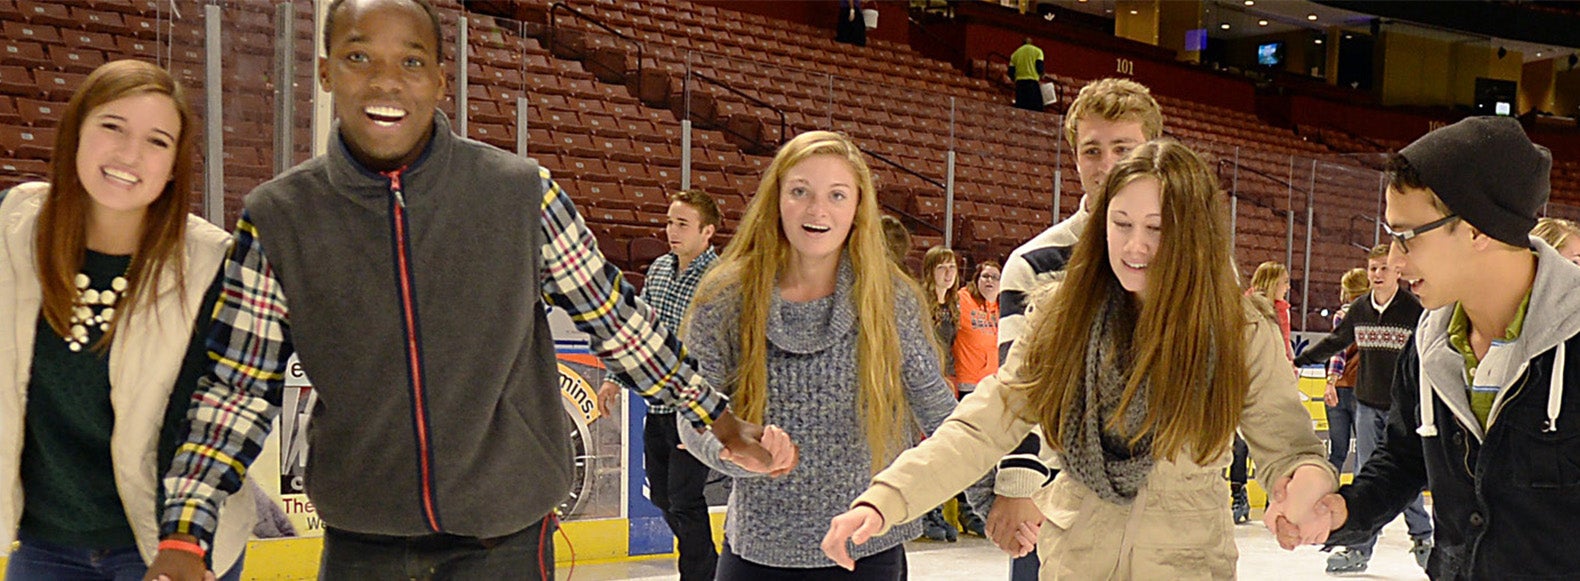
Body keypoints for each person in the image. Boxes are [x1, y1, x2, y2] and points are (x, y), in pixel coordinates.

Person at [145, 2, 796, 580]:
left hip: (504, 541)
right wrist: (184, 529)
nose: (385, 80)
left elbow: (618, 325)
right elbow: (233, 390)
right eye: (358, 57)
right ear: (324, 73)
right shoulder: (281, 217)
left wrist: (713, 412)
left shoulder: (520, 195)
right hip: (363, 542)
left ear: (438, 79)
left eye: (410, 60)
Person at [823, 140, 1338, 579]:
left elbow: (1287, 446)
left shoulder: (1238, 330)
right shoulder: (1062, 317)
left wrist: (1306, 485)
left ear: (1193, 234)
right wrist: (886, 498)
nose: (1135, 246)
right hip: (1076, 559)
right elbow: (983, 424)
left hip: (1188, 562)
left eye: (1157, 228)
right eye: (1121, 223)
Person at [1269, 116, 1578, 580]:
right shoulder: (1431, 342)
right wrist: (1341, 512)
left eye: (1407, 237)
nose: (1394, 260)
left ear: (1478, 230)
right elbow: (1403, 459)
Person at [0, 60, 251, 581]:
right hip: (48, 542)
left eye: (157, 141)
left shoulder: (210, 264)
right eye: (111, 127)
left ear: (175, 165)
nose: (130, 155)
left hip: (171, 545)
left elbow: (202, 420)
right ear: (76, 131)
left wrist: (184, 539)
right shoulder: (12, 226)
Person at [677, 130, 956, 580]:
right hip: (757, 552)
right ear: (777, 199)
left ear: (858, 209)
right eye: (800, 191)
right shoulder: (725, 297)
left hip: (867, 552)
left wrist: (1000, 492)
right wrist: (730, 450)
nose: (817, 210)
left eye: (837, 195)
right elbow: (693, 412)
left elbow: (940, 411)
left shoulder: (890, 300)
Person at [990, 77, 1163, 581]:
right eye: (1092, 150)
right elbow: (1017, 392)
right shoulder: (1033, 264)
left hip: (1162, 511)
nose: (1106, 164)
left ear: (1153, 151)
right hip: (1057, 504)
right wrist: (1019, 483)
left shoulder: (1198, 264)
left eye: (1123, 148)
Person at [595, 190, 724, 581]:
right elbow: (640, 331)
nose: (671, 231)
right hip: (659, 408)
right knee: (666, 498)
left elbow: (723, 354)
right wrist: (615, 379)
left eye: (682, 224)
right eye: (670, 222)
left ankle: (700, 576)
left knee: (685, 500)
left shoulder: (719, 280)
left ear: (707, 232)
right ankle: (712, 567)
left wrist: (704, 418)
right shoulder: (660, 270)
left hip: (694, 411)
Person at [1291, 244, 1432, 574]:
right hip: (1367, 405)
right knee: (1369, 475)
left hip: (1403, 409)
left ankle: (1423, 539)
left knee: (1402, 476)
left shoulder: (1414, 310)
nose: (1377, 275)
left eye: (1384, 268)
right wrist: (1299, 361)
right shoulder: (1359, 310)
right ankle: (1359, 548)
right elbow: (1335, 342)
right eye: (1372, 269)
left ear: (1398, 272)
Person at [917, 245, 962, 542]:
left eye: (952, 268)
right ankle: (923, 511)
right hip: (926, 381)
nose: (948, 274)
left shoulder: (954, 305)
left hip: (948, 379)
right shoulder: (921, 302)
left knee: (942, 450)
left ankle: (937, 509)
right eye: (942, 268)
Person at [1322, 268, 1370, 475]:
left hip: (1341, 387)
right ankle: (1361, 499)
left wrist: (1331, 381)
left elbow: (1337, 352)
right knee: (1364, 451)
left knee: (1337, 452)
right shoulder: (1374, 315)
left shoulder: (1342, 316)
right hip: (1363, 389)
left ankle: (1324, 494)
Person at [1246, 261, 1293, 360]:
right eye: (1285, 281)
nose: (1288, 287)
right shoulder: (1247, 308)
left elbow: (1285, 345)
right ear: (1272, 282)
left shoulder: (1284, 310)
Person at [1008, 38, 1046, 112]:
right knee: (1035, 109)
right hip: (1032, 83)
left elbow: (1011, 71)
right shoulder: (1038, 51)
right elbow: (1039, 66)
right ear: (1031, 43)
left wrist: (1014, 79)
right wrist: (1042, 74)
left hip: (1020, 84)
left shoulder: (1015, 54)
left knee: (1021, 109)